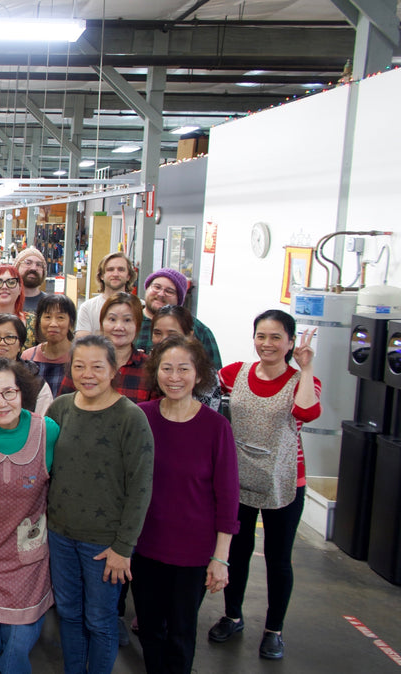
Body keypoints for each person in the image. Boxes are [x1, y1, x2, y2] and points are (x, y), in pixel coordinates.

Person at [207, 310, 320, 661]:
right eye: (261, 336)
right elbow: (202, 386)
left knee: (278, 558)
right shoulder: (234, 373)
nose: (266, 344)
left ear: (290, 341)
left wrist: (305, 367)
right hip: (238, 478)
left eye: (275, 337)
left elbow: (306, 413)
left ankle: (274, 629)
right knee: (237, 552)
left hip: (284, 481)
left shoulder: (302, 380)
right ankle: (233, 615)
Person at [45, 335, 154, 674]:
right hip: (59, 535)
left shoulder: (130, 418)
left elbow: (140, 487)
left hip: (105, 544)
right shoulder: (60, 408)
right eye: (79, 366)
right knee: (69, 612)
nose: (87, 374)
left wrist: (124, 547)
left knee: (100, 619)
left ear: (113, 369)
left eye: (97, 366)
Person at [135, 336, 239, 674]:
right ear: (156, 372)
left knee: (180, 634)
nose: (174, 377)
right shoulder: (141, 417)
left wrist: (220, 558)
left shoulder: (216, 427)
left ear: (198, 374)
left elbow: (227, 497)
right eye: (167, 368)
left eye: (184, 369)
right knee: (150, 630)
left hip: (193, 553)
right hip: (146, 546)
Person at [0, 357, 60, 674]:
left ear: (23, 393)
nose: (1, 402)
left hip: (28, 559)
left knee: (17, 648)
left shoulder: (49, 432)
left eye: (9, 392)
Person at [60, 293, 155, 404]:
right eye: (112, 319)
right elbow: (63, 406)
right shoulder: (82, 361)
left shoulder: (149, 368)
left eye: (127, 320)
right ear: (102, 323)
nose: (119, 327)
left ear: (137, 325)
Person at [133, 268, 222, 369]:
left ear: (179, 299)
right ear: (147, 288)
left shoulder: (199, 330)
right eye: (157, 287)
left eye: (169, 291)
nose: (161, 294)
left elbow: (214, 375)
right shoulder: (128, 322)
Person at [0, 314, 53, 415]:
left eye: (9, 337)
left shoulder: (37, 383)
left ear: (20, 345)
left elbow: (42, 424)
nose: (2, 342)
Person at [20, 295, 75, 395]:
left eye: (60, 317)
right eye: (47, 317)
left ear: (70, 323)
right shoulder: (28, 356)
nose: (53, 324)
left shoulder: (78, 357)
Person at [76, 253, 134, 336]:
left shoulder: (140, 306)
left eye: (121, 269)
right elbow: (82, 344)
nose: (115, 274)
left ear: (128, 276)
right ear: (101, 276)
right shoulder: (87, 308)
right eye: (110, 269)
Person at [14, 248, 47, 314]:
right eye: (28, 263)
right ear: (17, 268)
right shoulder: (6, 301)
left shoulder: (50, 303)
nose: (33, 268)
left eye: (38, 265)